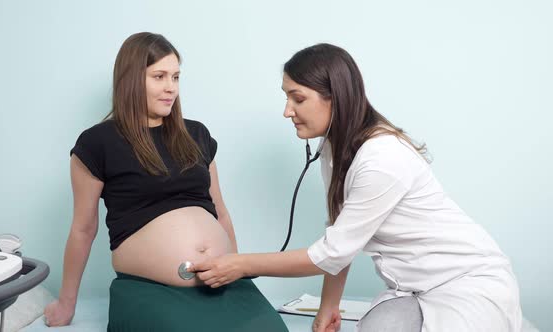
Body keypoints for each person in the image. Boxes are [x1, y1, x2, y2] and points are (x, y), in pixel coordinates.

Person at [189, 43, 523, 332]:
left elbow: (332, 253)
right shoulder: (335, 151)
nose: (287, 111)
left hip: (468, 285)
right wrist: (327, 309)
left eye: (298, 98)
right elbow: (341, 237)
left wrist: (240, 264)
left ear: (334, 98)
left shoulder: (381, 157)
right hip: (418, 289)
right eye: (286, 97)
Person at [43, 32, 288, 332]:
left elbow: (220, 212)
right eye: (159, 76)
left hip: (221, 281)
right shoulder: (97, 142)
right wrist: (67, 304)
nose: (170, 88)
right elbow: (83, 228)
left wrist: (234, 268)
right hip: (150, 286)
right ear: (131, 79)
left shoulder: (196, 134)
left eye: (175, 77)